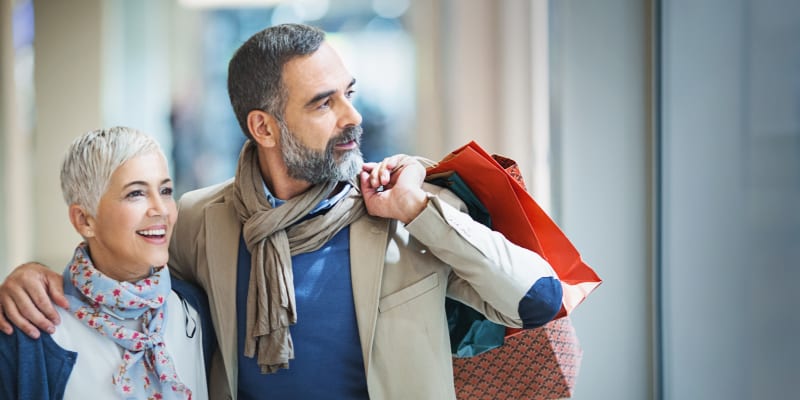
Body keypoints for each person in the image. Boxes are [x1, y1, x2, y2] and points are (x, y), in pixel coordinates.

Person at [0, 24, 562, 399]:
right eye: (323, 102)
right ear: (263, 127)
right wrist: (33, 278)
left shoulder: (404, 213)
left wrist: (418, 208)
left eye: (349, 92)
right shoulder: (199, 220)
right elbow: (123, 278)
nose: (351, 116)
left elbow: (539, 300)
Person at [0, 127, 212, 399]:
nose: (160, 209)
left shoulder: (196, 310)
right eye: (136, 193)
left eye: (166, 190)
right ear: (84, 220)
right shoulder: (26, 332)